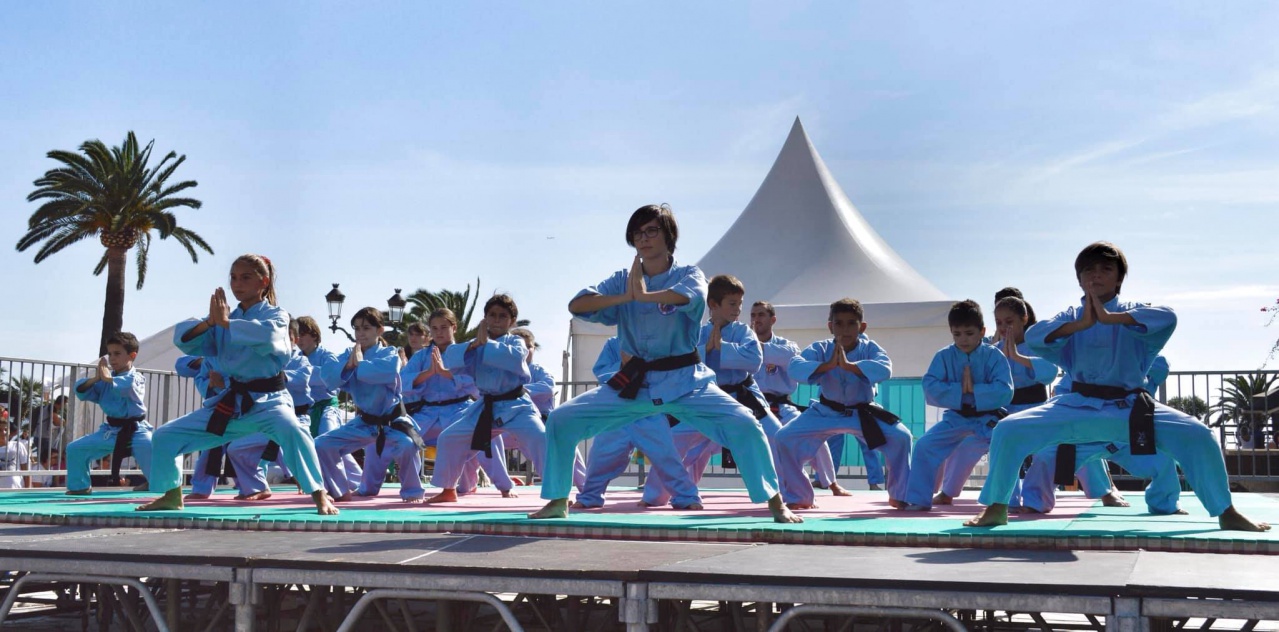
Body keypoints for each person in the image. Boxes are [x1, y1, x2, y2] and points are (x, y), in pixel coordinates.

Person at [966, 242, 1268, 531]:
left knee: (1200, 435)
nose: (1096, 275)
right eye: (1089, 270)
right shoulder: (1070, 317)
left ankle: (1226, 511)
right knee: (1008, 430)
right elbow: (1035, 337)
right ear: (1079, 279)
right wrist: (1080, 325)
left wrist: (1112, 318)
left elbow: (1168, 317)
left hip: (1130, 409)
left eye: (1106, 269)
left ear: (1119, 278)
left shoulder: (1135, 311)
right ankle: (997, 507)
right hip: (1076, 406)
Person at [530, 204, 800, 523]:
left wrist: (646, 296)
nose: (643, 238)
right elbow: (577, 305)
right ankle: (558, 500)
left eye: (651, 231)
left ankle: (775, 502)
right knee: (562, 419)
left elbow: (689, 298)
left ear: (668, 236)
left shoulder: (689, 275)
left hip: (686, 382)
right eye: (638, 233)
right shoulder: (622, 281)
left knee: (745, 424)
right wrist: (626, 297)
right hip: (634, 385)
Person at [136, 254, 338, 515]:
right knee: (165, 435)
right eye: (233, 278)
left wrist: (225, 323)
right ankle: (172, 495)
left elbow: (270, 338)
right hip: (230, 403)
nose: (237, 284)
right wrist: (211, 322)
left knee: (294, 431)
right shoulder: (224, 317)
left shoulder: (276, 316)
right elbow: (186, 339)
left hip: (269, 402)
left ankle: (319, 493)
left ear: (263, 282)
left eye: (245, 277)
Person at [642, 275, 788, 504]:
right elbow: (681, 361)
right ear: (713, 304)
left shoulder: (743, 332)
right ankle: (655, 495)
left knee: (776, 435)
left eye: (740, 304)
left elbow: (754, 361)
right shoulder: (697, 332)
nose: (738, 309)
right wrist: (705, 349)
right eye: (732, 303)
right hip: (705, 397)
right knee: (673, 441)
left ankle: (790, 494)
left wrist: (721, 347)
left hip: (740, 396)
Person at [775, 299, 912, 510]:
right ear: (830, 326)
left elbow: (885, 369)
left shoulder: (869, 348)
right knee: (784, 437)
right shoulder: (820, 348)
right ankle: (800, 495)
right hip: (825, 412)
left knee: (901, 437)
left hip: (862, 412)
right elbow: (795, 368)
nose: (845, 329)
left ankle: (899, 495)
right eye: (839, 323)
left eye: (851, 323)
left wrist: (851, 367)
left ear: (862, 327)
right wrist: (827, 365)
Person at [1018, 355, 1184, 515]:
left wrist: (1128, 360)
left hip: (1127, 438)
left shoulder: (1141, 366)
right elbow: (1060, 395)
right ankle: (1036, 502)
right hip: (1086, 438)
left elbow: (1162, 366)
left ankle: (1164, 504)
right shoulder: (1081, 369)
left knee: (1164, 457)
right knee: (1047, 455)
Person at [425, 294, 547, 504]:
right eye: (492, 315)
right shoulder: (476, 344)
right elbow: (452, 358)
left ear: (512, 321)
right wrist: (475, 344)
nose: (496, 320)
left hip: (516, 405)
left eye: (502, 316)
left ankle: (558, 494)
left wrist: (486, 344)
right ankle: (448, 489)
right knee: (449, 438)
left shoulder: (516, 342)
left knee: (540, 438)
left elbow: (514, 359)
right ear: (485, 319)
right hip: (485, 406)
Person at [902, 301, 1013, 510]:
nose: (963, 339)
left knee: (1008, 446)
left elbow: (1005, 390)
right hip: (957, 417)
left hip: (989, 418)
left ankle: (1008, 501)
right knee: (925, 445)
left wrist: (974, 390)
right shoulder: (944, 356)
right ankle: (919, 499)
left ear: (982, 331)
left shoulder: (994, 356)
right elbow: (930, 385)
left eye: (969, 333)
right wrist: (960, 390)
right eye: (957, 334)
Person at [573, 337, 702, 509]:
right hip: (617, 411)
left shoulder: (659, 342)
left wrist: (638, 366)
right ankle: (590, 496)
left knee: (666, 456)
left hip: (648, 409)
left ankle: (686, 497)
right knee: (600, 457)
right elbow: (601, 370)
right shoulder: (613, 343)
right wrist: (624, 365)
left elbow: (668, 372)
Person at [314, 307, 425, 502]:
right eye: (357, 329)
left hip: (392, 422)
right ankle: (340, 491)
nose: (360, 333)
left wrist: (359, 364)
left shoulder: (389, 353)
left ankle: (412, 492)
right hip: (364, 423)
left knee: (408, 445)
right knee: (322, 444)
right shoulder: (349, 355)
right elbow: (328, 377)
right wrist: (349, 365)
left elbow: (387, 373)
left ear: (379, 330)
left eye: (366, 328)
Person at [750, 301, 851, 494]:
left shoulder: (787, 346)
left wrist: (752, 346)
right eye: (753, 315)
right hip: (751, 405)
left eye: (761, 315)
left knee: (813, 432)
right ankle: (689, 488)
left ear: (773, 320)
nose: (756, 319)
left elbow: (789, 357)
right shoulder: (744, 344)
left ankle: (830, 482)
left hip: (781, 404)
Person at [226, 318, 316, 500]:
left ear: (295, 340)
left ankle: (320, 489)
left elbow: (301, 380)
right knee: (236, 448)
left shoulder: (301, 361)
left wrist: (275, 375)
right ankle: (257, 487)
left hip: (297, 419)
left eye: (286, 336)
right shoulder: (264, 359)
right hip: (267, 421)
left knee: (305, 449)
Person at [66, 332, 154, 495]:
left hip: (137, 430)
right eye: (110, 354)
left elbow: (128, 387)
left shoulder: (137, 378)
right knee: (75, 448)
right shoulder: (105, 380)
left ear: (132, 355)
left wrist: (108, 379)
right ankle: (80, 486)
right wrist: (96, 379)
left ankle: (155, 483)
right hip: (110, 431)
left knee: (151, 447)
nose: (112, 358)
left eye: (117, 353)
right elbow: (81, 390)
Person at [296, 316, 363, 493]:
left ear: (314, 335)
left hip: (328, 408)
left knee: (329, 441)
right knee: (306, 445)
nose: (299, 339)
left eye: (303, 334)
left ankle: (357, 481)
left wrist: (303, 375)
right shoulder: (295, 359)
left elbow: (331, 379)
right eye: (296, 335)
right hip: (308, 411)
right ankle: (316, 482)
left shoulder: (327, 356)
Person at [0, 422, 30, 489]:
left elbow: (26, 471)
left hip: (16, 490)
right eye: (0, 430)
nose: (3, 432)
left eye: (6, 429)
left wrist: (27, 490)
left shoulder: (18, 446)